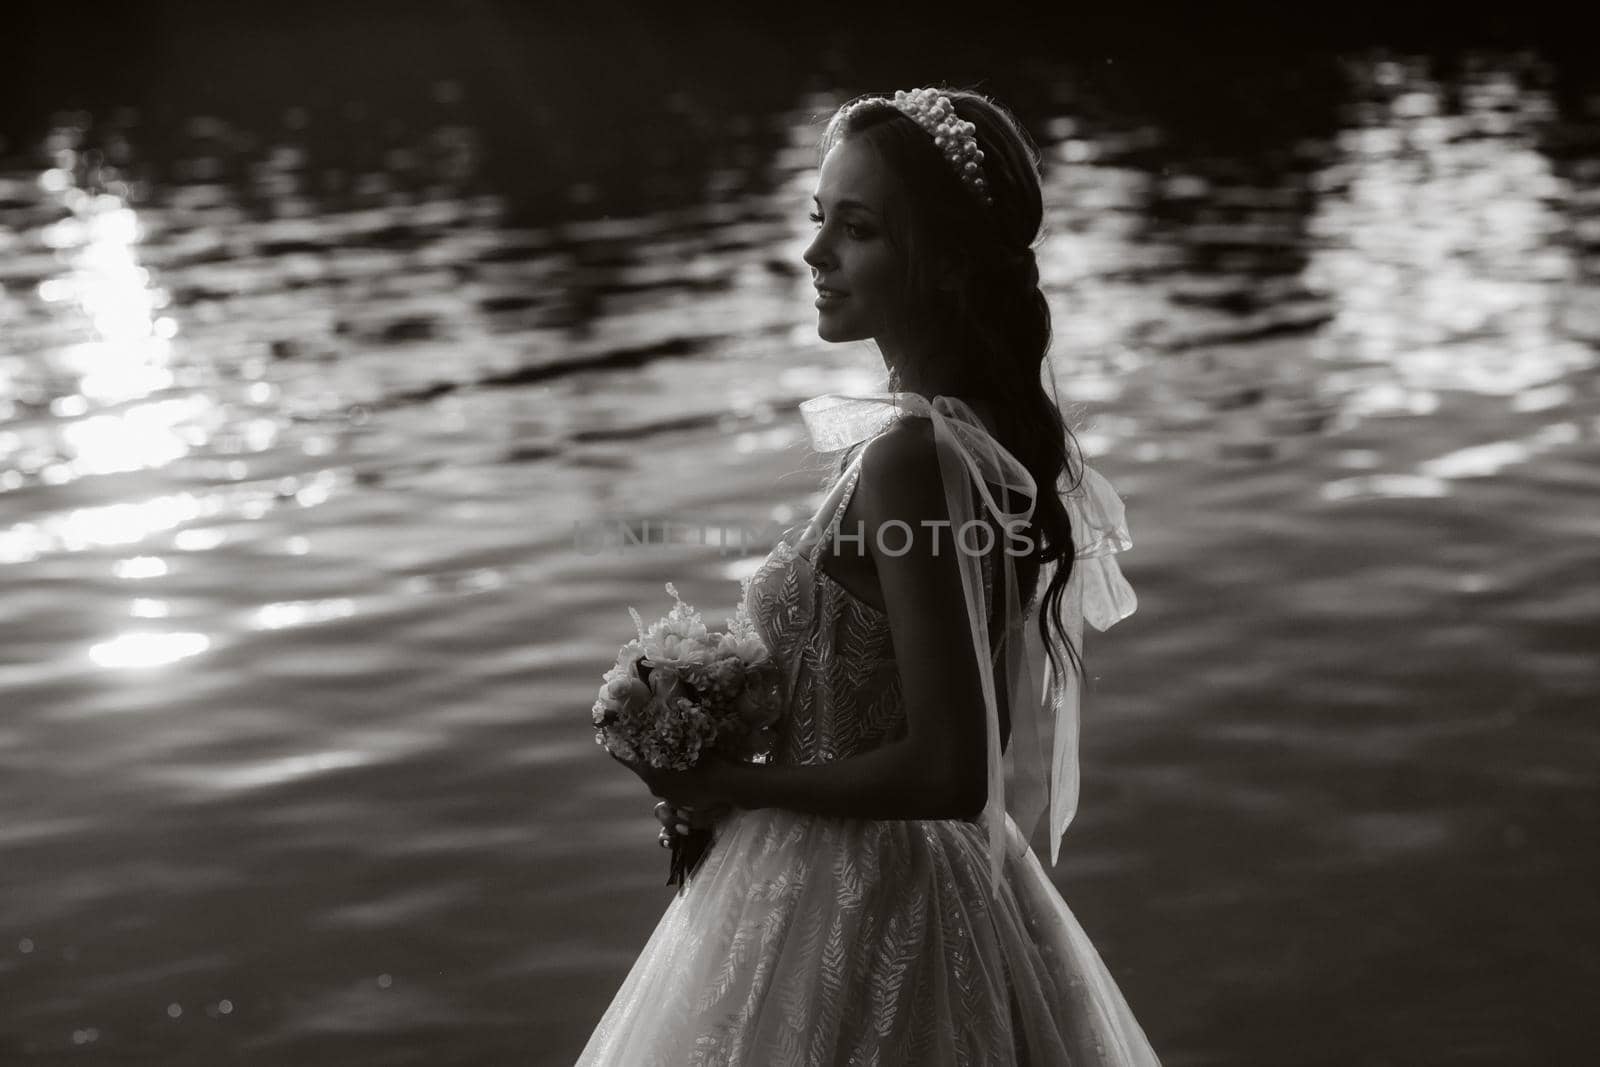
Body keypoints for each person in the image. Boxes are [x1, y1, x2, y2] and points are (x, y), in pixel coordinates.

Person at [578, 86, 1159, 1066]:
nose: (814, 256)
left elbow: (952, 765)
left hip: (860, 905)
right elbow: (973, 734)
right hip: (930, 878)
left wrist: (729, 781)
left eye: (857, 230)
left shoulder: (914, 459)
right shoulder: (962, 446)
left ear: (934, 260)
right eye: (819, 221)